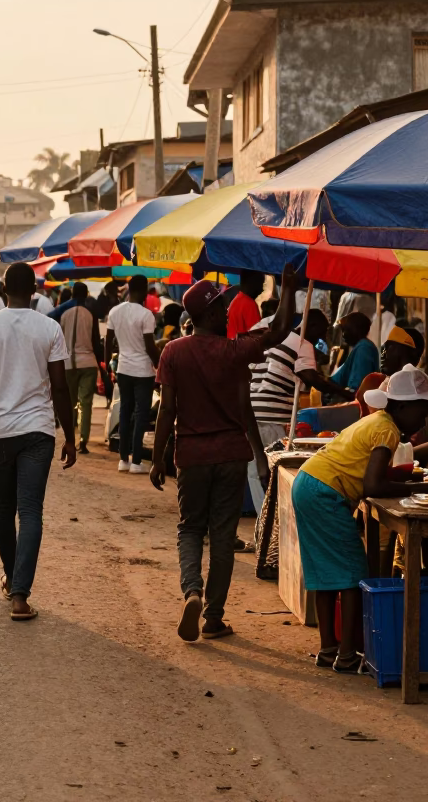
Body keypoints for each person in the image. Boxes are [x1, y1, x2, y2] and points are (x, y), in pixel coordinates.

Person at [149, 266, 298, 642]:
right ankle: (213, 617)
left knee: (189, 529)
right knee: (222, 536)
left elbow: (167, 410)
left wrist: (157, 458)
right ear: (211, 314)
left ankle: (192, 591)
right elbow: (279, 332)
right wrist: (289, 287)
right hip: (231, 456)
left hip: (191, 457)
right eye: (224, 307)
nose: (229, 312)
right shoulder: (234, 350)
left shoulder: (173, 352)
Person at [293, 366, 428, 672]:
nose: (423, 420)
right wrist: (423, 486)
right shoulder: (387, 429)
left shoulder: (375, 421)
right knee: (352, 575)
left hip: (308, 483)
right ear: (402, 407)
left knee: (326, 577)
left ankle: (329, 649)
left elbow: (368, 473)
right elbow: (373, 485)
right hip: (326, 493)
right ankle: (347, 654)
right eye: (421, 411)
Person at [0, 261, 77, 621]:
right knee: (30, 511)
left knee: (3, 508)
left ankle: (13, 578)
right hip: (38, 432)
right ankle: (20, 593)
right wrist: (71, 437)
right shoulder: (49, 327)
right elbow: (60, 386)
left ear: (2, 289)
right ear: (34, 290)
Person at [250, 309, 355, 453]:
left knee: (254, 469)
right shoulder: (302, 343)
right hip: (274, 418)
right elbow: (313, 378)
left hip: (252, 415)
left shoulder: (277, 338)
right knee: (274, 465)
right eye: (322, 331)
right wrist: (346, 394)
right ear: (311, 326)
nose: (322, 338)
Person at [105, 274, 159, 474]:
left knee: (125, 414)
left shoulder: (115, 312)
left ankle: (123, 460)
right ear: (143, 290)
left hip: (123, 369)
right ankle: (137, 461)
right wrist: (159, 365)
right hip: (143, 371)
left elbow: (109, 340)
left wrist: (109, 366)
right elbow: (149, 346)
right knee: (141, 415)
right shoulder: (146, 315)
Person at [49, 281, 102, 455]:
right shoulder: (91, 314)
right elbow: (96, 342)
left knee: (69, 402)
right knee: (86, 403)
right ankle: (83, 440)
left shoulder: (64, 314)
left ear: (72, 294)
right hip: (88, 363)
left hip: (68, 364)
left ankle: (68, 438)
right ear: (86, 294)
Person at [329, 312, 380, 394]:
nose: (343, 335)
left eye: (345, 330)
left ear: (354, 330)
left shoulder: (363, 348)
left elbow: (356, 389)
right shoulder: (359, 347)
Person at [226, 271, 264, 339]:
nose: (262, 290)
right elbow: (258, 337)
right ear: (252, 283)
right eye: (261, 284)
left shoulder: (236, 300)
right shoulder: (249, 304)